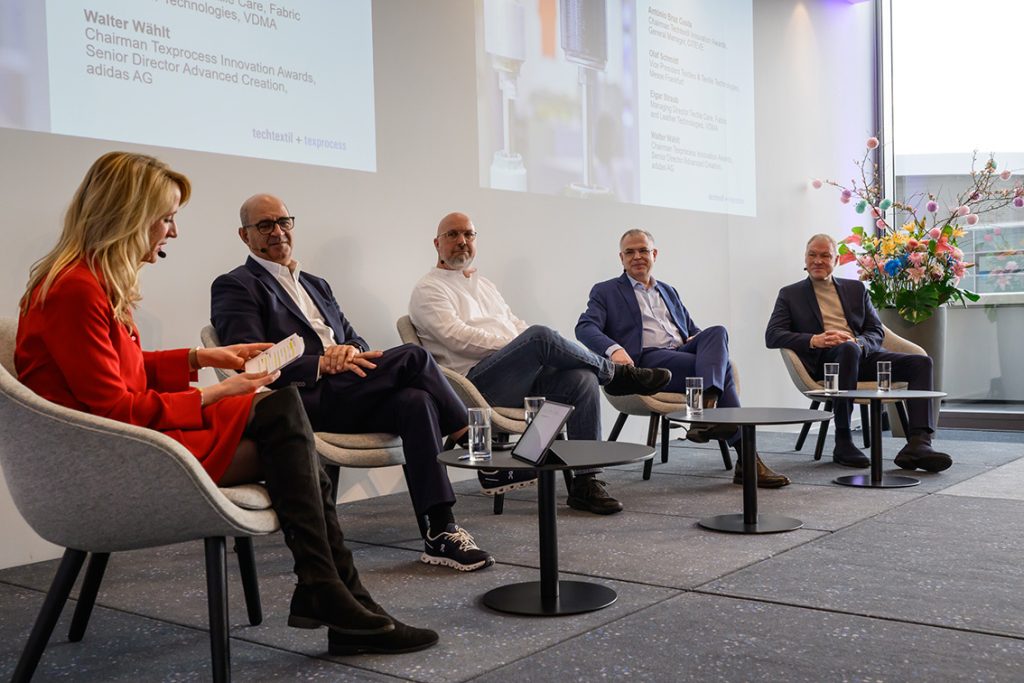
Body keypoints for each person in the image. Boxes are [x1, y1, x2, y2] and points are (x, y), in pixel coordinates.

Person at [15, 152, 436, 657]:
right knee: (290, 434)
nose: (173, 231)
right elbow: (115, 409)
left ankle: (335, 594)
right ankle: (334, 595)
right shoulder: (76, 291)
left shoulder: (87, 283)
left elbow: (119, 367)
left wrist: (201, 357)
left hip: (127, 439)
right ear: (127, 216)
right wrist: (217, 390)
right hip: (115, 456)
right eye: (166, 218)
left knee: (284, 416)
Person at [211, 194, 493, 574]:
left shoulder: (316, 284)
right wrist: (321, 364)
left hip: (347, 390)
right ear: (244, 235)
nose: (278, 231)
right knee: (414, 357)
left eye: (284, 222)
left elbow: (355, 339)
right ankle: (476, 446)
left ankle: (440, 531)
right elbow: (251, 363)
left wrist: (348, 351)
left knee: (416, 401)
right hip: (298, 400)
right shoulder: (236, 285)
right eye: (265, 225)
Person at [408, 212, 672, 515]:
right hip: (473, 385)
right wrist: (520, 344)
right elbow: (457, 338)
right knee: (540, 337)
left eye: (469, 234)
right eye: (453, 235)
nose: (462, 241)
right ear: (437, 243)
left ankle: (586, 483)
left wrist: (522, 343)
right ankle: (616, 374)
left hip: (516, 377)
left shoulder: (485, 285)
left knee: (582, 378)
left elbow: (515, 324)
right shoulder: (429, 289)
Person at [576, 229, 790, 488]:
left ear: (654, 254)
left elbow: (691, 330)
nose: (637, 256)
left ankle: (707, 407)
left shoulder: (668, 291)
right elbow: (585, 327)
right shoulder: (606, 291)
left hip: (679, 353)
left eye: (643, 250)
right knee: (722, 369)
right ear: (621, 258)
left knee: (717, 332)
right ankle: (744, 456)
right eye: (630, 252)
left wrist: (697, 339)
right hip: (647, 362)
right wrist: (614, 350)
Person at [765, 233, 951, 471]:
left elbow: (876, 330)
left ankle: (919, 444)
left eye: (825, 256)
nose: (818, 260)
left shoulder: (855, 289)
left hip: (861, 355)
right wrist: (814, 340)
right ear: (805, 258)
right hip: (826, 364)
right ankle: (843, 441)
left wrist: (859, 343)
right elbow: (773, 335)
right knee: (846, 351)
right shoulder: (790, 294)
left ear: (836, 261)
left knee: (921, 363)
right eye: (812, 255)